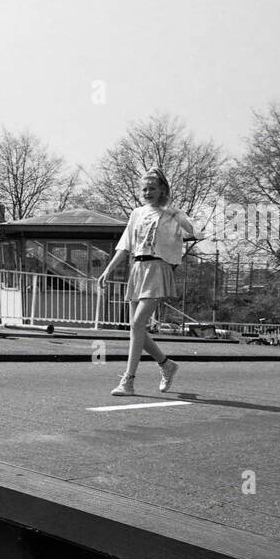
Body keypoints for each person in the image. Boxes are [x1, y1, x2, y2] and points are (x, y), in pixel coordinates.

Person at [96, 167, 196, 396]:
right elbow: (125, 245)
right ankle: (166, 365)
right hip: (137, 268)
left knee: (137, 324)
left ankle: (128, 381)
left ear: (162, 190)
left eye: (153, 188)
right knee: (136, 327)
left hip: (157, 268)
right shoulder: (137, 213)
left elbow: (192, 231)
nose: (148, 192)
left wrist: (178, 216)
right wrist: (107, 271)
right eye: (144, 188)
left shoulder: (170, 214)